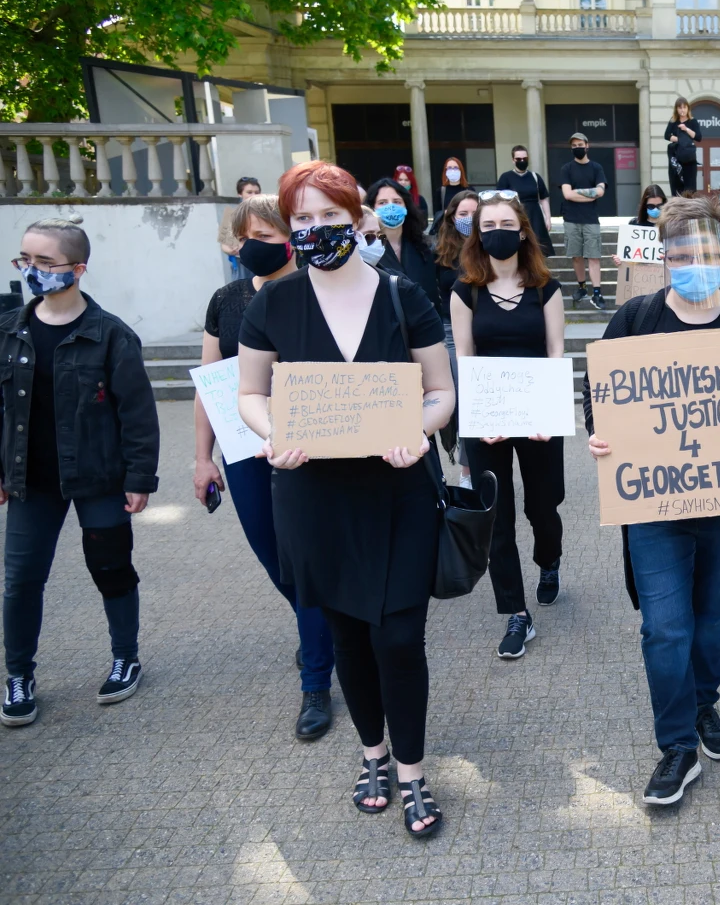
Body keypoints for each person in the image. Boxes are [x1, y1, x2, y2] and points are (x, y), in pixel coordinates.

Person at [236, 161, 456, 838]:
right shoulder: (271, 304)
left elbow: (441, 393)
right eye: (301, 219)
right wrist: (274, 434)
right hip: (314, 493)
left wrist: (416, 430)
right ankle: (374, 757)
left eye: (328, 217)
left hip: (397, 491)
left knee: (397, 637)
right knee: (349, 637)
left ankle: (414, 770)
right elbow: (249, 395)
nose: (314, 230)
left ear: (356, 218)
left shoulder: (402, 297)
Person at [582, 196, 720, 806]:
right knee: (664, 627)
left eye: (704, 252)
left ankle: (705, 704)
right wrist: (599, 433)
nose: (693, 263)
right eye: (680, 254)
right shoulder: (634, 318)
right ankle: (677, 744)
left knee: (713, 618)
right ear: (665, 257)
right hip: (657, 508)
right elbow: (597, 399)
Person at [1, 219, 160, 728]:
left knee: (111, 570)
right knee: (21, 580)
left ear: (78, 269)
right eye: (25, 259)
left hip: (99, 478)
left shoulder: (111, 335)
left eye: (44, 263)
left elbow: (137, 414)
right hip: (30, 481)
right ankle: (19, 675)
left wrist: (139, 478)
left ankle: (124, 657)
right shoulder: (9, 331)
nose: (31, 270)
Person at [193, 196, 335, 740]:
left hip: (308, 451)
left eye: (276, 236)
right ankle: (320, 623)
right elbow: (210, 384)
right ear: (236, 242)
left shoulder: (317, 292)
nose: (263, 247)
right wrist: (203, 456)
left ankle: (316, 683)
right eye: (253, 236)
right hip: (243, 452)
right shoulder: (225, 301)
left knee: (305, 562)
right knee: (276, 561)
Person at [450, 193, 567, 661]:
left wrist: (547, 413)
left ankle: (549, 559)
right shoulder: (465, 292)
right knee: (495, 516)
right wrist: (481, 418)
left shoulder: (546, 288)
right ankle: (515, 614)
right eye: (488, 223)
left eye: (506, 222)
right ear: (478, 232)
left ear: (522, 231)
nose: (497, 229)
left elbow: (555, 352)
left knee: (544, 505)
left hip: (539, 416)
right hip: (489, 419)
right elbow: (465, 357)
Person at [433, 189, 478, 485]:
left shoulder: (488, 247)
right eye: (463, 214)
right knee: (463, 398)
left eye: (475, 213)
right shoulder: (439, 253)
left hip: (484, 329)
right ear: (451, 216)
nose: (469, 219)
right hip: (450, 331)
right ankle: (467, 472)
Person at [367, 177, 441, 311]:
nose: (391, 207)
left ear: (406, 206)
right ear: (372, 208)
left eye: (397, 202)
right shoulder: (368, 249)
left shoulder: (426, 246)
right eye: (382, 202)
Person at [560, 132, 608, 310]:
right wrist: (590, 194)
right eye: (574, 146)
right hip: (571, 219)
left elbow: (601, 192)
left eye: (580, 145)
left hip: (591, 220)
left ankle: (597, 293)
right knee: (576, 256)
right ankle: (582, 287)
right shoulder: (566, 169)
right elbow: (567, 194)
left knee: (594, 257)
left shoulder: (596, 168)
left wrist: (576, 193)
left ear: (587, 146)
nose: (577, 148)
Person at [497, 145, 555, 258]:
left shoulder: (535, 177)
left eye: (525, 158)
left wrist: (548, 218)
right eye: (518, 159)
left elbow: (543, 198)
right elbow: (499, 200)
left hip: (536, 216)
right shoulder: (506, 177)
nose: (522, 161)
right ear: (513, 160)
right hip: (516, 216)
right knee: (519, 249)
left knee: (538, 250)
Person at [219, 176, 265, 281]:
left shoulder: (267, 214)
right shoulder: (232, 215)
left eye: (256, 192)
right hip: (242, 265)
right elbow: (224, 245)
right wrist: (232, 250)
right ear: (240, 194)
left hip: (263, 262)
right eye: (249, 192)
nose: (254, 195)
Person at [664, 97, 702, 196]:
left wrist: (686, 129)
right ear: (676, 109)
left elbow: (698, 137)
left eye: (684, 107)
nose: (682, 110)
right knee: (676, 186)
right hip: (676, 158)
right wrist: (679, 139)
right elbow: (666, 136)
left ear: (688, 108)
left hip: (689, 158)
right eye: (680, 108)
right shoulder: (673, 121)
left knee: (690, 188)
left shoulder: (692, 121)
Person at [392, 164, 430, 229]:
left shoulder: (420, 199)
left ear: (411, 182)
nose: (403, 183)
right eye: (400, 180)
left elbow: (424, 224)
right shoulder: (390, 200)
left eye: (406, 180)